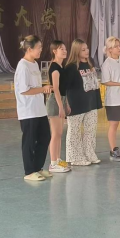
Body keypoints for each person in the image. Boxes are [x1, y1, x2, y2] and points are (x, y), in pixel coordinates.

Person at [14, 35, 53, 181]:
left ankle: (38, 167)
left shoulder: (35, 64)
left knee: (45, 137)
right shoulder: (23, 66)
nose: (41, 50)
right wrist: (43, 89)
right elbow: (24, 90)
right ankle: (29, 171)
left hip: (39, 109)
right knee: (29, 141)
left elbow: (35, 86)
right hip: (28, 110)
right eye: (38, 48)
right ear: (29, 49)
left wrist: (43, 88)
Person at [62, 39, 103, 166]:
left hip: (91, 103)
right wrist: (66, 104)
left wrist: (96, 101)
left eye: (87, 48)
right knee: (74, 131)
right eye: (83, 49)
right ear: (76, 51)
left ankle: (89, 153)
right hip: (76, 104)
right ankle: (75, 157)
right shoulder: (71, 67)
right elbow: (64, 88)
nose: (86, 51)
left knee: (90, 130)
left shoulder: (90, 65)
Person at [46, 40, 72, 174]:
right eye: (61, 49)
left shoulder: (62, 67)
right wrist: (61, 107)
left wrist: (66, 103)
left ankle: (57, 159)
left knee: (60, 133)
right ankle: (53, 163)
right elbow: (56, 89)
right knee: (55, 134)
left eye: (65, 49)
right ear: (54, 51)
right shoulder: (55, 67)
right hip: (55, 102)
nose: (65, 51)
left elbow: (63, 90)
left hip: (61, 100)